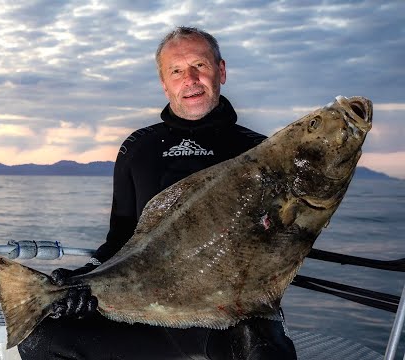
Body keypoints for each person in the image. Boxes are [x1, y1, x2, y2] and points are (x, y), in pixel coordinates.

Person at [18, 26, 297, 360]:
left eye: (200, 65)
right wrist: (81, 279)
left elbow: (278, 248)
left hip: (230, 317)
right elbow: (120, 239)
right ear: (164, 82)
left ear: (221, 71)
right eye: (176, 71)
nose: (190, 78)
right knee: (41, 337)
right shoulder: (138, 148)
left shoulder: (258, 152)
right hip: (145, 311)